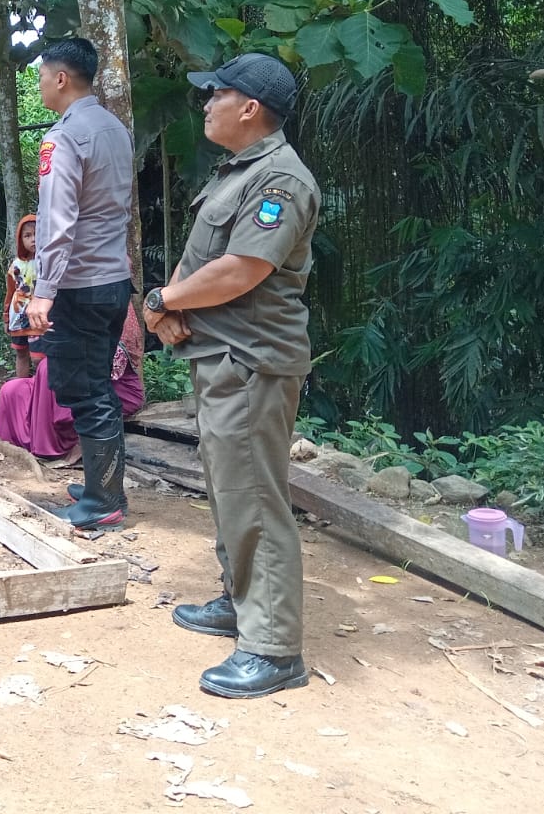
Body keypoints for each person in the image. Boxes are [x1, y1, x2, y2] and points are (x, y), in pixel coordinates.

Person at [143, 52, 320, 700]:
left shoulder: (280, 180)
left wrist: (163, 300)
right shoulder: (240, 171)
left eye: (215, 94)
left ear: (249, 107)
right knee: (228, 490)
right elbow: (206, 261)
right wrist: (169, 307)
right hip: (221, 357)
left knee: (255, 498)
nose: (205, 102)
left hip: (252, 362)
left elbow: (242, 269)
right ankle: (239, 600)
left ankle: (273, 648)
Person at [25, 37, 135, 528]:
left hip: (79, 284)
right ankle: (101, 485)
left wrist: (43, 291)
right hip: (114, 279)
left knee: (84, 389)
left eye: (41, 76)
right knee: (97, 383)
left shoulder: (65, 137)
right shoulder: (115, 128)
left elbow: (57, 220)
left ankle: (104, 502)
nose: (40, 85)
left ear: (61, 78)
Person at [0, 296, 144, 462]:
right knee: (13, 390)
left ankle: (57, 448)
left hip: (109, 388)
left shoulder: (113, 296)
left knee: (49, 368)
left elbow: (110, 363)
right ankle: (23, 445)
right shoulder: (56, 296)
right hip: (65, 379)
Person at [4, 213, 41, 377]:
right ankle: (21, 387)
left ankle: (41, 389)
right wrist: (6, 317)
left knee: (39, 357)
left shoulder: (47, 262)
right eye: (28, 235)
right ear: (21, 240)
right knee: (21, 353)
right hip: (18, 316)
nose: (33, 239)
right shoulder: (16, 265)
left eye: (37, 234)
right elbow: (10, 292)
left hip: (40, 316)